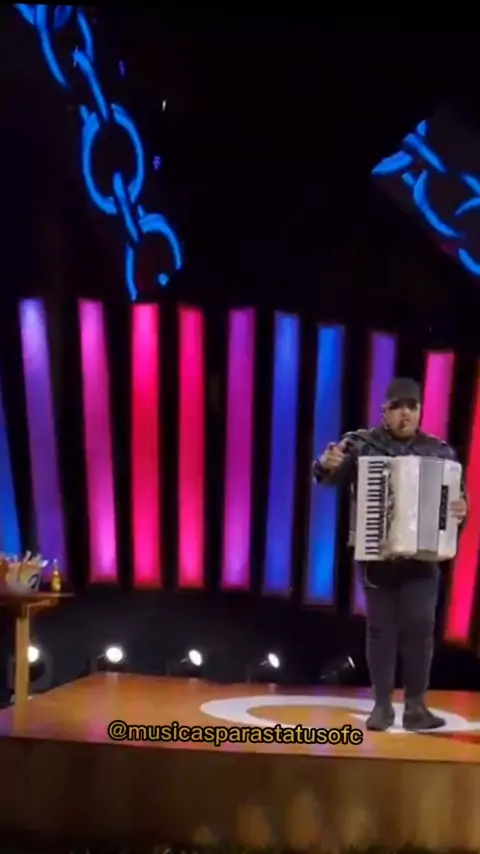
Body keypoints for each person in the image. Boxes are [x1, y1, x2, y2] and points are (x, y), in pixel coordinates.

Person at [312, 377, 468, 731]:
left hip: (422, 559)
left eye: (412, 407)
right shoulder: (361, 444)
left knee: (420, 630)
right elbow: (327, 476)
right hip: (377, 558)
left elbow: (458, 504)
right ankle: (381, 706)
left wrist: (462, 510)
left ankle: (415, 707)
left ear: (420, 411)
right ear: (384, 410)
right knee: (381, 630)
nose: (405, 413)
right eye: (397, 407)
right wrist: (326, 463)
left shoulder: (439, 451)